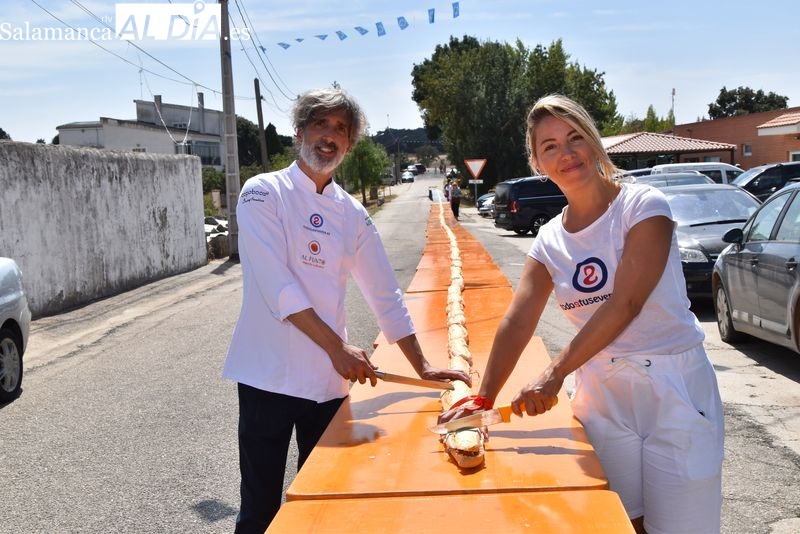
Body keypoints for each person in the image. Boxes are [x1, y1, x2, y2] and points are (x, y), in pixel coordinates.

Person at [439, 94, 723, 534]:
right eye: (549, 146)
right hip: (603, 394)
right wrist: (484, 398)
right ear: (537, 160)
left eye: (574, 138)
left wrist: (554, 372)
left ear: (593, 142)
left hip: (675, 389)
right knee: (619, 523)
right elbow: (518, 319)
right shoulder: (550, 238)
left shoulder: (643, 207)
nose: (566, 153)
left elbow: (626, 303)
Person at [223, 87, 471, 533]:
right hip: (267, 380)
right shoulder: (263, 193)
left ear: (350, 144)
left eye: (341, 129)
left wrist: (424, 366)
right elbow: (277, 286)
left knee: (321, 506)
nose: (330, 136)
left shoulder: (352, 212)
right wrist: (339, 348)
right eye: (321, 124)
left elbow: (385, 293)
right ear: (300, 131)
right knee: (260, 511)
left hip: (326, 387)